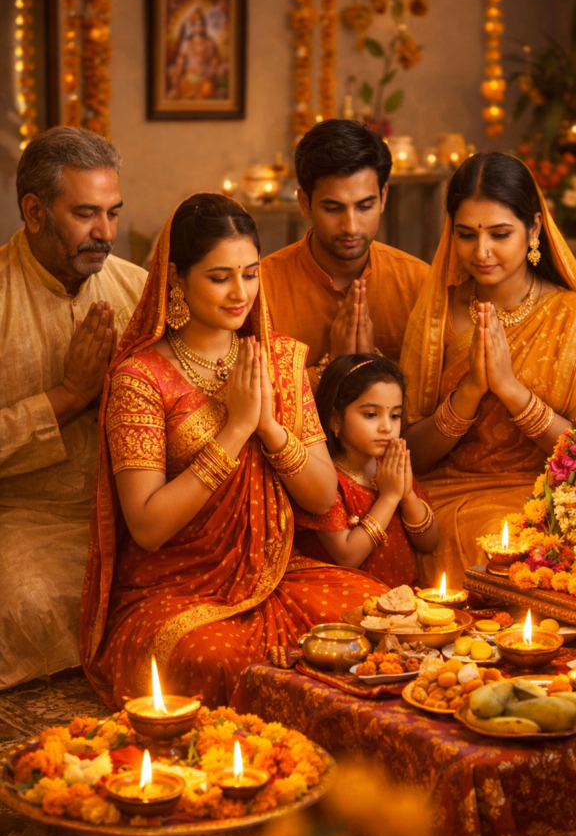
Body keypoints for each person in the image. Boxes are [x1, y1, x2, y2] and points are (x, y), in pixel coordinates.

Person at [80, 193, 385, 710]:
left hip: (273, 573)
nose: (239, 292)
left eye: (250, 273)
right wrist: (235, 428)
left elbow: (321, 494)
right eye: (219, 277)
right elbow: (148, 527)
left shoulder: (281, 360)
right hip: (172, 591)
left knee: (378, 614)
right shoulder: (140, 379)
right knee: (219, 663)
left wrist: (266, 425)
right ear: (176, 279)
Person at [401, 152, 576, 588]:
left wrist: (510, 390)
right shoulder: (438, 316)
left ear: (534, 229)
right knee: (470, 537)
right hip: (449, 492)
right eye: (466, 235)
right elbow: (409, 450)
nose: (481, 251)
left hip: (547, 494)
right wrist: (470, 391)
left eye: (500, 234)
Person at [0, 126, 146, 690]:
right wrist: (69, 397)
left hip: (132, 510)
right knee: (27, 602)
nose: (104, 234)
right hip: (26, 518)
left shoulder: (136, 290)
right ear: (34, 212)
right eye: (86, 214)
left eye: (113, 213)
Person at [260, 119, 429, 392]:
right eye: (333, 208)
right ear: (305, 203)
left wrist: (372, 364)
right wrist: (331, 368)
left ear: (383, 197)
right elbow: (251, 398)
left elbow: (433, 393)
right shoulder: (262, 287)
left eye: (364, 206)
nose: (351, 226)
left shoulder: (419, 283)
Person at [294, 354, 439, 587]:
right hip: (345, 594)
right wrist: (390, 497)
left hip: (403, 597)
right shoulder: (324, 480)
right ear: (335, 420)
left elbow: (429, 543)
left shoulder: (390, 465)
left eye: (395, 415)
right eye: (371, 414)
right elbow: (347, 556)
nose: (387, 427)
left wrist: (407, 495)